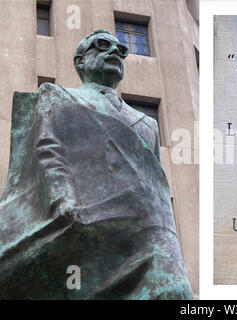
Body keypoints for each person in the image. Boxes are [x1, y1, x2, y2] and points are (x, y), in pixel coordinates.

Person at [0, 30, 193, 300]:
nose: (114, 52)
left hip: (144, 232)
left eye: (121, 49)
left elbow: (155, 186)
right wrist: (60, 198)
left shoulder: (148, 124)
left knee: (174, 291)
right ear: (80, 61)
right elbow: (47, 150)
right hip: (85, 220)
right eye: (102, 46)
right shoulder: (57, 95)